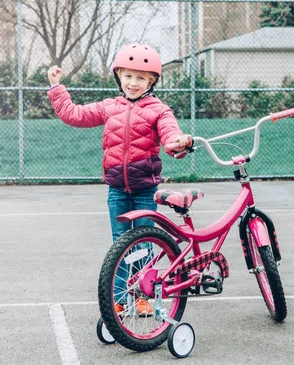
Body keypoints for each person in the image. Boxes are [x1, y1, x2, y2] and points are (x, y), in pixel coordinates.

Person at [47, 43, 191, 316]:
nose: (133, 83)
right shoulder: (109, 107)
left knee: (144, 242)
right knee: (120, 244)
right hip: (117, 189)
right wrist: (57, 88)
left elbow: (171, 134)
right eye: (128, 76)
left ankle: (143, 296)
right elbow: (74, 114)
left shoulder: (159, 110)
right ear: (119, 77)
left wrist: (177, 142)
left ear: (151, 81)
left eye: (140, 78)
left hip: (145, 190)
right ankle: (120, 298)